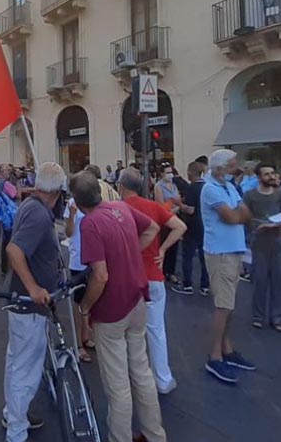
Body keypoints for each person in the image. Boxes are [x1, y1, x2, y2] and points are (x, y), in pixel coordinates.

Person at [73, 170, 166, 442]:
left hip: (112, 308)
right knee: (141, 371)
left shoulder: (90, 223)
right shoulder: (121, 208)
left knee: (117, 383)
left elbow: (100, 276)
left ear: (77, 202)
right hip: (137, 298)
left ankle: (120, 437)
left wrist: (85, 307)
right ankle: (154, 433)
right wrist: (130, 253)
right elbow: (153, 227)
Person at [2, 162, 65, 440]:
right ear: (58, 192)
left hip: (23, 303)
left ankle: (12, 415)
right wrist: (35, 287)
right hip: (29, 303)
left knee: (17, 363)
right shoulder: (39, 215)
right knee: (26, 371)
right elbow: (14, 250)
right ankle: (16, 430)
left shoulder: (32, 205)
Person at [118, 167, 186, 395]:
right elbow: (180, 227)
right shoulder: (153, 207)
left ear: (121, 186)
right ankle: (163, 379)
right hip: (154, 275)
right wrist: (164, 249)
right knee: (156, 330)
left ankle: (132, 380)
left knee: (127, 332)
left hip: (128, 277)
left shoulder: (119, 209)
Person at [200, 149, 256, 384]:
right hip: (220, 253)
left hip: (233, 251)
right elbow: (234, 217)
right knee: (223, 306)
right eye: (232, 165)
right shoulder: (211, 189)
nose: (237, 168)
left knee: (229, 305)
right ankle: (215, 356)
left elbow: (245, 213)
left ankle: (227, 349)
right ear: (220, 168)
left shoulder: (229, 186)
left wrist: (238, 213)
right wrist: (238, 213)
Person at [243, 164, 281, 332]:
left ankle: (276, 317)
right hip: (258, 244)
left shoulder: (279, 194)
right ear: (259, 177)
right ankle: (258, 316)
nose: (271, 176)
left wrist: (277, 223)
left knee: (280, 281)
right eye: (267, 174)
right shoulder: (250, 195)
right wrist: (256, 226)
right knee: (260, 281)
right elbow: (244, 217)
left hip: (278, 243)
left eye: (273, 173)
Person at [63, 195, 92, 363]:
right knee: (80, 302)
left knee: (91, 301)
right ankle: (79, 344)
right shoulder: (72, 203)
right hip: (78, 260)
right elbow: (68, 232)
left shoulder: (94, 199)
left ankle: (86, 336)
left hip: (93, 257)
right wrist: (73, 215)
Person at [174, 161, 209, 296]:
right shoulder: (207, 187)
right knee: (203, 257)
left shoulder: (191, 188)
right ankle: (205, 285)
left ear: (190, 173)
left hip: (192, 226)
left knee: (187, 256)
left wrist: (179, 204)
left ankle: (187, 284)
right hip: (205, 226)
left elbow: (190, 210)